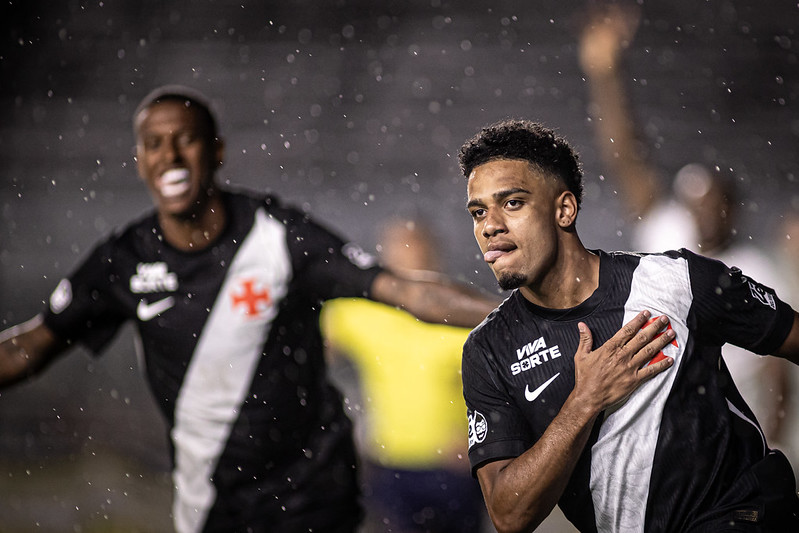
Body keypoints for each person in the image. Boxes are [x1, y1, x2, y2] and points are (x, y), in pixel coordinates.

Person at [0, 85, 498, 533]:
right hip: (210, 504)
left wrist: (519, 312)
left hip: (314, 495)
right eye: (154, 143)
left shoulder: (279, 237)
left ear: (216, 151)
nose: (170, 155)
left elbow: (410, 293)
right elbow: (30, 346)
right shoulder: (125, 261)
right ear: (139, 160)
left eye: (186, 139)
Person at [458, 119, 799, 532]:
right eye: (478, 212)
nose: (489, 225)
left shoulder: (677, 281)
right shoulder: (488, 349)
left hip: (744, 514)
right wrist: (585, 401)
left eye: (512, 203)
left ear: (564, 210)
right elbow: (510, 516)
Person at [578, 3, 795, 454]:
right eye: (697, 203)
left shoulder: (754, 268)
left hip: (731, 425)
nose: (706, 214)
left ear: (733, 209)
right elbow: (625, 156)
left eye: (716, 203)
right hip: (663, 417)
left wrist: (774, 440)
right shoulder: (667, 233)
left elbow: (777, 368)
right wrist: (605, 73)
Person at [320, 217, 486, 533]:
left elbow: (508, 386)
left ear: (433, 254)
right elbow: (305, 346)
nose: (408, 257)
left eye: (415, 248)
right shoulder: (361, 313)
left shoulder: (459, 313)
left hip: (451, 465)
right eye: (399, 249)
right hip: (389, 464)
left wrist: (480, 439)